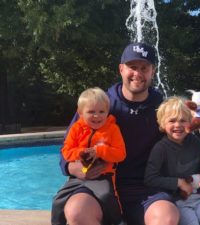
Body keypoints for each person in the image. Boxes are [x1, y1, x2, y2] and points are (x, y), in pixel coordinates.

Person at [52, 42, 180, 225]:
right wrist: (72, 168)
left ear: (153, 71)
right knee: (77, 212)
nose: (138, 73)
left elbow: (182, 141)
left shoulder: (163, 107)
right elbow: (67, 146)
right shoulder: (99, 104)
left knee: (166, 218)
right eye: (132, 67)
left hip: (145, 187)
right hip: (99, 181)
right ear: (121, 69)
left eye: (144, 68)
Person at [144, 96, 200, 225]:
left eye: (183, 120)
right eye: (172, 121)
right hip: (176, 200)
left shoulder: (195, 142)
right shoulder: (160, 148)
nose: (178, 125)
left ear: (190, 122)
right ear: (163, 124)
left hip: (198, 198)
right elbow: (150, 178)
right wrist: (178, 182)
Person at [52, 87, 126, 225]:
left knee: (107, 196)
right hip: (77, 177)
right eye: (91, 112)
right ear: (80, 113)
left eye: (101, 112)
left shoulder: (112, 129)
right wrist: (81, 153)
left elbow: (120, 154)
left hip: (102, 176)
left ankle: (116, 220)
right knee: (58, 200)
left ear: (107, 112)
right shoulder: (76, 129)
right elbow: (66, 151)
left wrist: (99, 151)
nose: (97, 116)